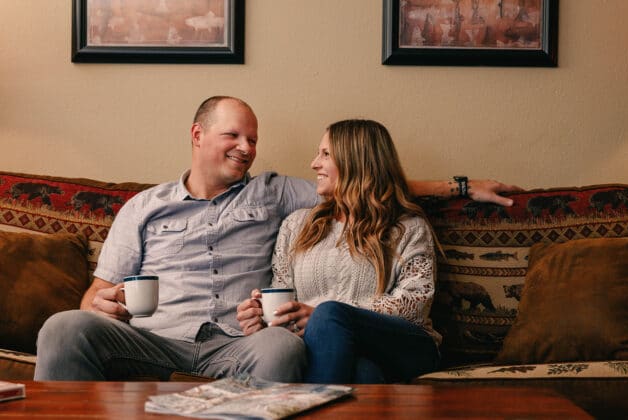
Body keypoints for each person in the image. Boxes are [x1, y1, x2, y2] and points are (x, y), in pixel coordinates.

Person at [35, 96, 520, 382]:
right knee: (64, 326)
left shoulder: (274, 193)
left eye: (253, 140)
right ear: (197, 134)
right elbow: (96, 296)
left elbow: (367, 180)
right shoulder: (143, 206)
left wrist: (459, 186)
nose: (246, 149)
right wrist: (104, 307)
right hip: (153, 340)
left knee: (283, 348)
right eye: (233, 137)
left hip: (238, 346)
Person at [236, 120, 454, 383]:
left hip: (405, 347)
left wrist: (323, 315)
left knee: (330, 314)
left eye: (325, 154)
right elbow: (284, 294)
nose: (314, 164)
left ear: (357, 161)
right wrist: (262, 318)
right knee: (364, 374)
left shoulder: (408, 228)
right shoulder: (296, 225)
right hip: (332, 352)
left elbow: (414, 306)